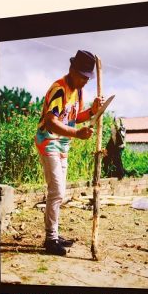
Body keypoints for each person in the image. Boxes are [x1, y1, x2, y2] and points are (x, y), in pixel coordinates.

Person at [35, 50, 104, 256]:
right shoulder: (59, 89)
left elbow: (74, 117)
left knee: (60, 192)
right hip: (49, 142)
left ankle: (54, 233)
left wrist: (91, 111)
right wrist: (77, 133)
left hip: (63, 145)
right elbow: (51, 121)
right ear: (72, 70)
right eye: (82, 76)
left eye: (87, 78)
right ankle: (50, 239)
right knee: (57, 191)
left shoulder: (78, 92)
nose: (85, 81)